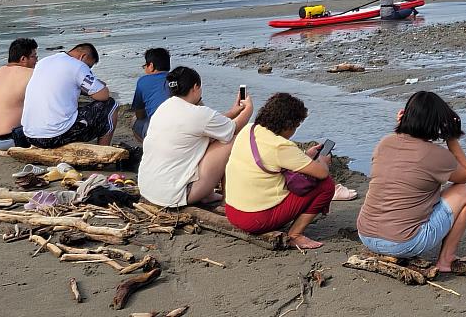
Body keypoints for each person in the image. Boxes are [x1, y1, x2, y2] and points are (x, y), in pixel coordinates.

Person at [357, 91, 466, 272]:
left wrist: (402, 126)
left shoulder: (384, 143)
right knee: (464, 192)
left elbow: (403, 158)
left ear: (405, 115)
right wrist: (451, 138)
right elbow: (465, 175)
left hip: (366, 234)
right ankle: (446, 260)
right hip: (403, 243)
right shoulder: (436, 155)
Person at [225, 93, 335, 249]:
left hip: (232, 211)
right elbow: (322, 173)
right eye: (296, 127)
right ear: (288, 125)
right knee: (326, 185)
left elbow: (273, 160)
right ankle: (295, 234)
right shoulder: (280, 146)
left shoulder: (249, 129)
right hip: (254, 219)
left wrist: (305, 157)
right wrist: (323, 161)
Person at [139, 67, 253, 208]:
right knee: (231, 139)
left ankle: (208, 194)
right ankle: (227, 201)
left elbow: (208, 124)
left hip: (149, 188)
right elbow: (232, 128)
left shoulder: (164, 107)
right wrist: (248, 110)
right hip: (175, 196)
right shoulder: (198, 113)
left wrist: (233, 112)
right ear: (195, 87)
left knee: (212, 137)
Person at [22, 43, 119, 148]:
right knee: (111, 105)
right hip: (55, 136)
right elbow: (103, 95)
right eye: (89, 67)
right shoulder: (78, 66)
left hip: (30, 135)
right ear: (83, 56)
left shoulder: (44, 62)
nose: (89, 70)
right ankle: (104, 150)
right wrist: (98, 84)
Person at [0, 38, 38, 150]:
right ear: (23, 59)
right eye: (34, 56)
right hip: (12, 140)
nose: (36, 60)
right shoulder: (32, 74)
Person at [131, 48, 171, 143]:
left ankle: (149, 148)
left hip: (158, 130)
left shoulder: (143, 81)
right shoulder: (178, 78)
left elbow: (139, 114)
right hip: (182, 126)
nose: (145, 68)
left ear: (151, 66)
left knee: (134, 121)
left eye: (145, 65)